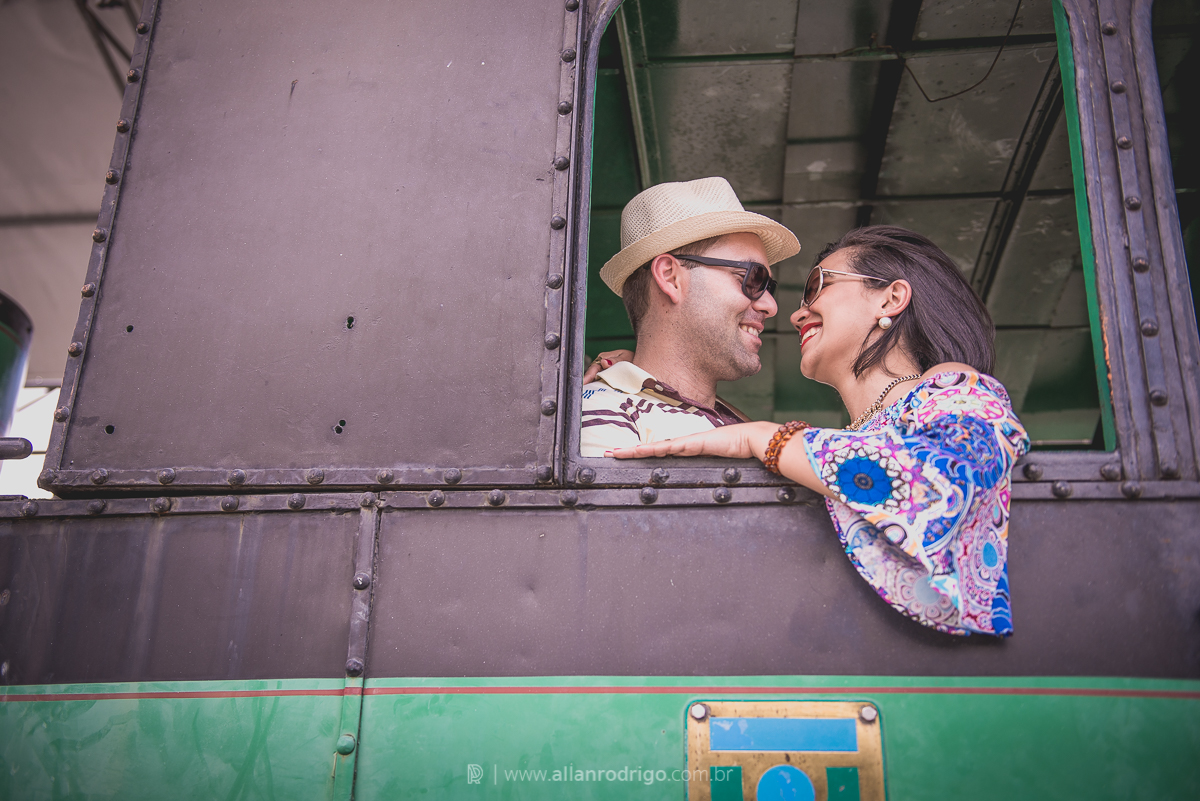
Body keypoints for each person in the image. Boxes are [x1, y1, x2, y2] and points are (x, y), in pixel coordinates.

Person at [609, 226, 1029, 637]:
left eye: (817, 286)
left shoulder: (952, 384)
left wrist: (764, 438)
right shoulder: (829, 448)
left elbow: (947, 478)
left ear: (891, 298)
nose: (795, 313)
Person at [579, 177, 800, 457]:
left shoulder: (729, 421)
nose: (770, 305)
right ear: (671, 277)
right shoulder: (606, 412)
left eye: (769, 286)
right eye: (753, 279)